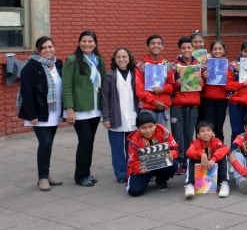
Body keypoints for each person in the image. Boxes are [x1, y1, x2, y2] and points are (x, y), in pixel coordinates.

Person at [18, 36, 64, 191]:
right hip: (39, 113)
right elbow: (27, 92)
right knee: (44, 143)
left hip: (54, 111)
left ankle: (47, 173)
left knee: (48, 144)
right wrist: (31, 115)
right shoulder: (31, 67)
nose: (48, 50)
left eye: (50, 46)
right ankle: (42, 178)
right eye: (44, 47)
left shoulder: (58, 64)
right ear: (38, 50)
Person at [63, 30, 106, 187]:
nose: (87, 44)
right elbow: (67, 85)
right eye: (84, 41)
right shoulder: (72, 60)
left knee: (90, 141)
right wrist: (69, 108)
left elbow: (103, 84)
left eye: (90, 41)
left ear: (95, 43)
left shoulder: (99, 61)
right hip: (80, 109)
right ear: (79, 43)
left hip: (95, 108)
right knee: (85, 141)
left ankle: (86, 172)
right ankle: (80, 176)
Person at [101, 47, 138, 183]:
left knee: (132, 148)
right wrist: (106, 118)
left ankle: (132, 170)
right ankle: (121, 173)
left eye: (124, 56)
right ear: (114, 60)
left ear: (129, 59)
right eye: (118, 57)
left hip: (133, 117)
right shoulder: (109, 76)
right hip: (115, 116)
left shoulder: (135, 74)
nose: (121, 59)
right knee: (117, 149)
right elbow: (104, 98)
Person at [126, 112, 179, 196]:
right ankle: (144, 179)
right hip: (144, 168)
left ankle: (161, 179)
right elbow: (132, 162)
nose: (148, 130)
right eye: (144, 128)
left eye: (150, 126)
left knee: (174, 165)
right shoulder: (134, 141)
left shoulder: (163, 132)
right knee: (134, 191)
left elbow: (174, 148)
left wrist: (172, 154)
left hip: (161, 163)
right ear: (138, 129)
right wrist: (140, 168)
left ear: (155, 125)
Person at [171, 36, 203, 175]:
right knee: (178, 134)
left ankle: (189, 160)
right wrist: (176, 83)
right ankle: (178, 161)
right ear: (180, 49)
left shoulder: (198, 65)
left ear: (193, 49)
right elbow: (169, 84)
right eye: (183, 48)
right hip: (178, 104)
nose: (186, 50)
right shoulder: (174, 66)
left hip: (193, 104)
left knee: (189, 134)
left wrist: (201, 81)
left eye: (189, 47)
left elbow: (202, 86)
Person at [135, 34, 175, 127]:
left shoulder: (167, 65)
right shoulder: (141, 66)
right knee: (147, 137)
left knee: (162, 138)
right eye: (153, 43)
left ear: (163, 47)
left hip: (163, 107)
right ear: (148, 47)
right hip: (147, 107)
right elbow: (139, 90)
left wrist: (162, 89)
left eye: (159, 43)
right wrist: (153, 101)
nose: (156, 45)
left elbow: (171, 86)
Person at [184, 121, 230, 198]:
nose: (206, 133)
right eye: (202, 131)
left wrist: (214, 159)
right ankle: (189, 184)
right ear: (198, 135)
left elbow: (225, 148)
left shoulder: (217, 141)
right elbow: (189, 151)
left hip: (215, 170)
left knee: (223, 156)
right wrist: (201, 154)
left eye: (208, 130)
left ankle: (224, 183)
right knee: (190, 158)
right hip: (200, 171)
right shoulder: (195, 143)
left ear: (213, 133)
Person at [200, 40, 229, 141]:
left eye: (220, 49)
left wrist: (228, 77)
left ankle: (220, 149)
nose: (217, 51)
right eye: (215, 49)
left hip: (222, 99)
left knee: (219, 127)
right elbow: (199, 83)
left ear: (224, 50)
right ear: (211, 51)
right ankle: (209, 150)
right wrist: (203, 76)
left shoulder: (229, 65)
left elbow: (232, 84)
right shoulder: (205, 64)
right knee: (209, 127)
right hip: (208, 99)